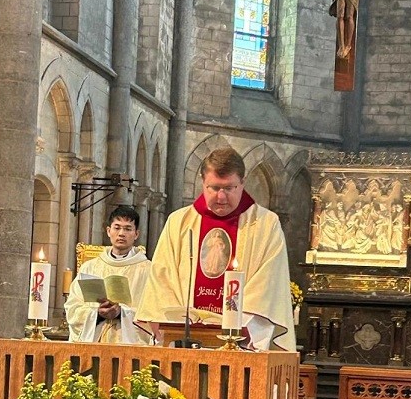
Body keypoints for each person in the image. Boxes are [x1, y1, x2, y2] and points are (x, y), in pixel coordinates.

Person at [135, 147, 296, 351]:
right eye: (214, 188)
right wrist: (181, 323)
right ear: (202, 182)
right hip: (184, 342)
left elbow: (268, 285)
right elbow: (162, 280)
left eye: (229, 188)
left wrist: (237, 326)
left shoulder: (265, 224)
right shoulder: (178, 222)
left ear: (243, 183)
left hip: (241, 343)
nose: (221, 197)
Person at [65, 206, 152, 344]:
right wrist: (97, 313)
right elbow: (73, 308)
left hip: (129, 347)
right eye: (117, 228)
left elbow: (153, 314)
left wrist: (122, 313)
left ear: (136, 234)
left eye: (128, 229)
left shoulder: (148, 270)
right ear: (108, 231)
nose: (121, 233)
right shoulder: (90, 267)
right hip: (95, 344)